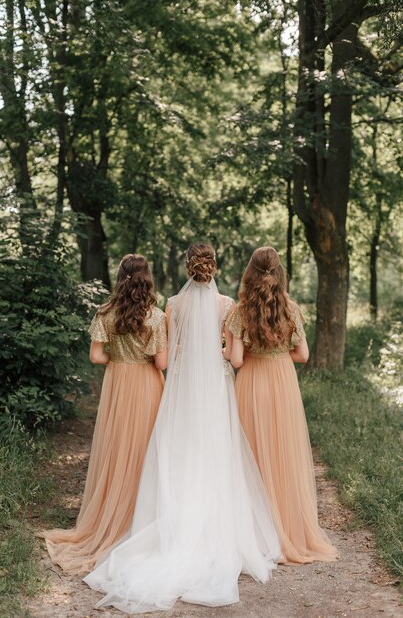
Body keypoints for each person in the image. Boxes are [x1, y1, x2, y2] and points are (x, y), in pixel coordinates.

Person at [83, 242, 281, 613]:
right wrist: (219, 353)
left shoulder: (172, 305)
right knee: (215, 449)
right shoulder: (227, 306)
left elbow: (168, 355)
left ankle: (175, 516)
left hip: (183, 385)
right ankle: (215, 524)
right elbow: (232, 356)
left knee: (181, 449)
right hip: (215, 385)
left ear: (189, 268)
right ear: (213, 267)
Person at [41, 254, 167, 575]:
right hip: (147, 384)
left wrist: (118, 358)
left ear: (120, 276)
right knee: (146, 448)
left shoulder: (105, 312)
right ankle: (143, 517)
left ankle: (112, 512)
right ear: (146, 278)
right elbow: (161, 363)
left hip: (118, 383)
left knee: (117, 447)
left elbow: (96, 356)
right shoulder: (155, 316)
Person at [225, 245, 337, 564]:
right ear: (279, 272)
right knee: (282, 453)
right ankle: (287, 527)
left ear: (250, 272)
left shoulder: (241, 311)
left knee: (251, 455)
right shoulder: (291, 307)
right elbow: (302, 355)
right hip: (282, 382)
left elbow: (235, 359)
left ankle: (254, 532)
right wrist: (277, 356)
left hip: (251, 382)